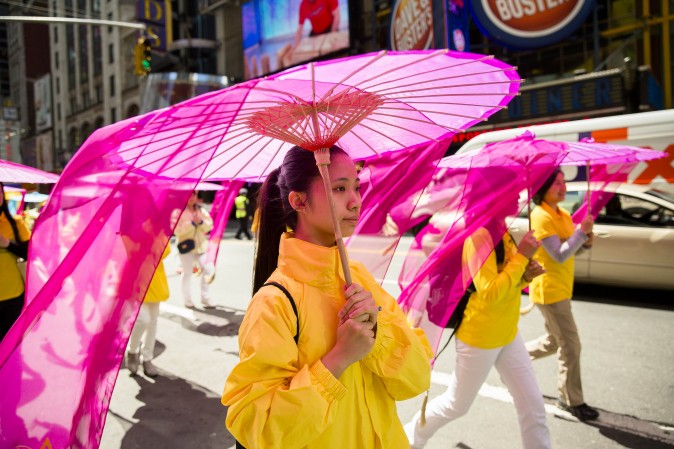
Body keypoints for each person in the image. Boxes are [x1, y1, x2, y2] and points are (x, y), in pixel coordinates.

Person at [221, 145, 433, 448]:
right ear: (299, 201)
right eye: (339, 188)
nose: (355, 201)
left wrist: (379, 335)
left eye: (357, 187)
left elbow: (417, 378)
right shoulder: (275, 303)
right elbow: (258, 428)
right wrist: (338, 359)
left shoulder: (359, 279)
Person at [404, 210, 551, 449]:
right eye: (512, 188)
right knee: (456, 404)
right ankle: (408, 438)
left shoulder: (502, 228)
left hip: (507, 331)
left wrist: (525, 276)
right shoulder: (479, 236)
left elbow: (508, 281)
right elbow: (490, 292)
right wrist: (522, 256)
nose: (517, 197)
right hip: (480, 336)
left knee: (533, 404)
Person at [525, 169, 599, 421]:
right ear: (543, 188)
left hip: (562, 287)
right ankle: (570, 400)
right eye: (557, 183)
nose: (563, 187)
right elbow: (558, 255)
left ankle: (511, 357)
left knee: (555, 341)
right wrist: (581, 232)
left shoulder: (564, 214)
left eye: (563, 182)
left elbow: (570, 250)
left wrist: (585, 241)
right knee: (571, 345)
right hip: (549, 290)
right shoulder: (540, 216)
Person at [126, 243, 171, 378]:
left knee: (152, 321)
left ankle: (147, 358)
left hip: (154, 279)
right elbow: (128, 252)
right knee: (142, 320)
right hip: (135, 280)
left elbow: (165, 251)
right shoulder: (128, 229)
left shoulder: (158, 229)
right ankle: (132, 351)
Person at [0, 182, 31, 342]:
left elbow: (31, 254)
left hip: (14, 295)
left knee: (12, 347)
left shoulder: (16, 223)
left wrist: (8, 244)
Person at [175, 191, 215, 308]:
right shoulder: (178, 212)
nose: (191, 197)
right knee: (187, 273)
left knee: (208, 269)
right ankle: (187, 300)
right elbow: (176, 230)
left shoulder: (201, 211)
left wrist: (201, 222)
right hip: (185, 246)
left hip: (201, 246)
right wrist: (191, 223)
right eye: (189, 194)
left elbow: (210, 225)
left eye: (194, 194)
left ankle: (205, 298)